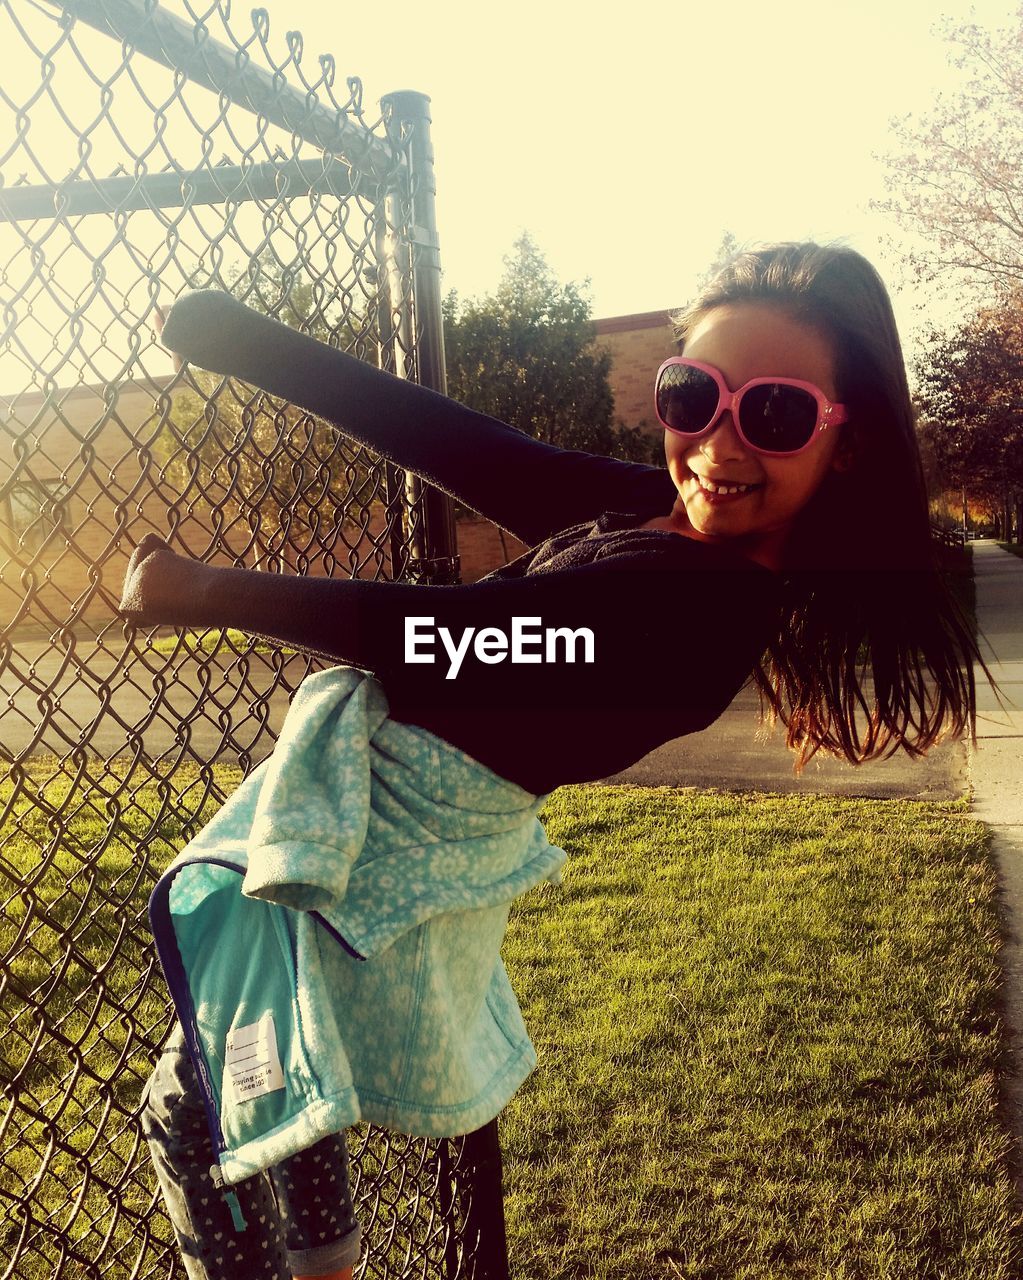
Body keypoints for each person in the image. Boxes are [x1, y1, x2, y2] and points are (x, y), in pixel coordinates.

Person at [122, 242, 986, 1280]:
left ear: (844, 444)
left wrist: (203, 593)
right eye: (693, 394)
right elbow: (475, 450)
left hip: (389, 857)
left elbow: (458, 638)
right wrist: (247, 341)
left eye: (775, 414)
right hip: (364, 844)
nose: (718, 441)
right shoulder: (663, 517)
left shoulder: (702, 622)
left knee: (195, 1097)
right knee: (288, 1067)